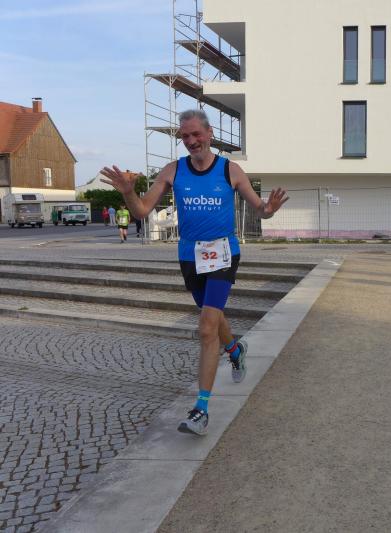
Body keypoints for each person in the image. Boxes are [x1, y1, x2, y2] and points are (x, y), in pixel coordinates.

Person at [100, 109, 288, 436]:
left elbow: (260, 209)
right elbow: (142, 210)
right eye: (185, 136)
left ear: (209, 133)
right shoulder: (173, 171)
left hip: (224, 253)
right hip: (190, 255)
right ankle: (235, 350)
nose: (191, 141)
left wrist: (268, 210)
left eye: (196, 134)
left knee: (206, 327)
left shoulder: (230, 170)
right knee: (212, 317)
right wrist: (128, 192)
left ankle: (201, 409)